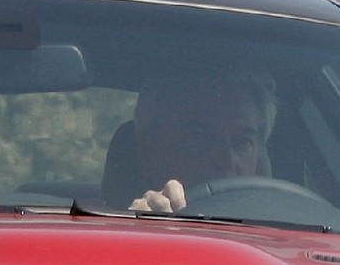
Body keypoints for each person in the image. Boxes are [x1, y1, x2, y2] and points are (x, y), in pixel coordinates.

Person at [118, 70, 276, 214]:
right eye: (202, 138)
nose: (226, 161)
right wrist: (144, 228)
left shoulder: (288, 233)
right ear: (149, 149)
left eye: (243, 142)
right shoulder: (104, 233)